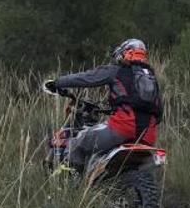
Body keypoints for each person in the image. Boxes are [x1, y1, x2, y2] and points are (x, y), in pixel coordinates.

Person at [44, 39, 163, 171]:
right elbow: (158, 116)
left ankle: (75, 184)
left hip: (121, 129)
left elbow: (87, 78)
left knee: (79, 141)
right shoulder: (151, 79)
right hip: (148, 136)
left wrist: (57, 83)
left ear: (123, 53)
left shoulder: (116, 71)